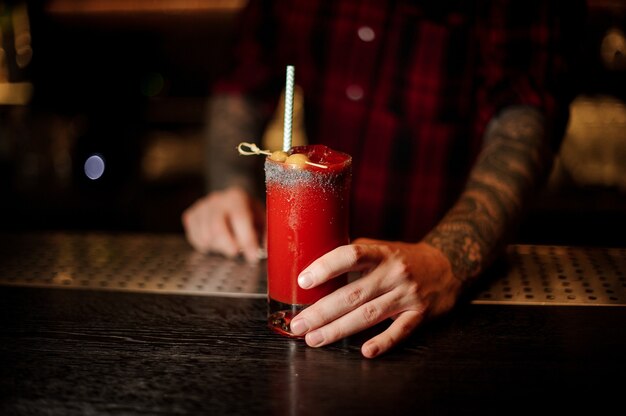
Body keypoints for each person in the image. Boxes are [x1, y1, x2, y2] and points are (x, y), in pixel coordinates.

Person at [182, 0, 584, 358]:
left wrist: (446, 258)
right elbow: (243, 77)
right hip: (302, 276)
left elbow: (526, 112)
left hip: (433, 282)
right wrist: (228, 186)